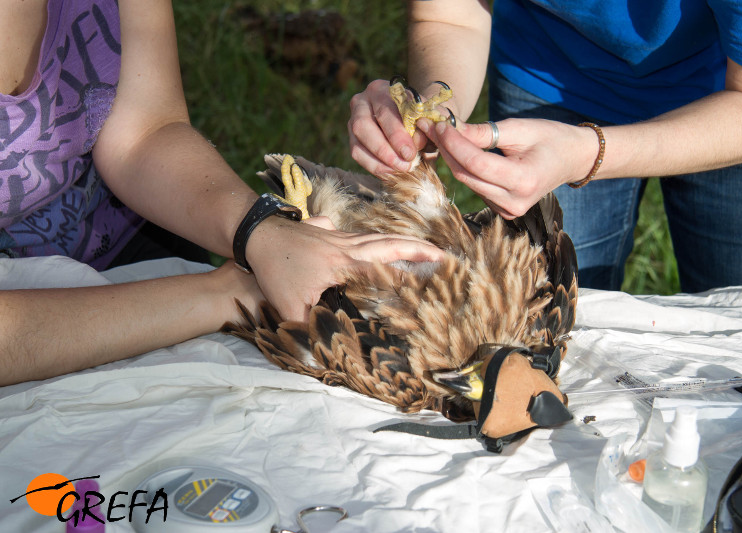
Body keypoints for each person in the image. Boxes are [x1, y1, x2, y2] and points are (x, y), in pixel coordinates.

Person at [0, 0, 444, 387]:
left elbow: (143, 132)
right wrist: (223, 293)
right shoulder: (219, 292)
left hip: (133, 240)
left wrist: (261, 233)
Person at [348, 0, 742, 293]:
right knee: (558, 320)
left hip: (740, 105)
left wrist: (587, 153)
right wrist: (432, 106)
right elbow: (453, 13)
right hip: (549, 76)